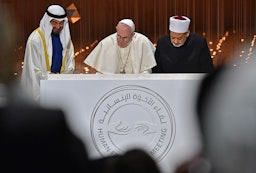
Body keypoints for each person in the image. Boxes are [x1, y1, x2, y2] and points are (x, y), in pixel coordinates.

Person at [21, 4, 75, 102]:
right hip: (40, 91)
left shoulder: (66, 39)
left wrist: (62, 79)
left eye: (61, 23)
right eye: (54, 23)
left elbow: (70, 65)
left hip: (61, 89)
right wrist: (52, 77)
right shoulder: (35, 40)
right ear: (47, 21)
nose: (58, 26)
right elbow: (33, 71)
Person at [84, 19, 157, 74]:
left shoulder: (142, 42)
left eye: (125, 38)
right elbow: (101, 72)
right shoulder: (106, 43)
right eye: (118, 36)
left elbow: (146, 70)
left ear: (132, 35)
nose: (121, 40)